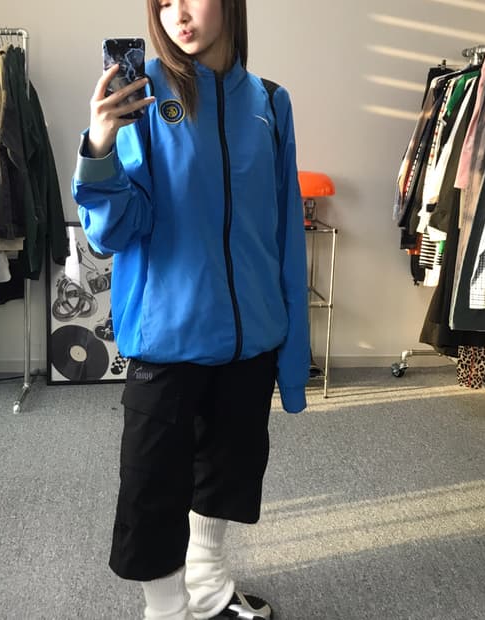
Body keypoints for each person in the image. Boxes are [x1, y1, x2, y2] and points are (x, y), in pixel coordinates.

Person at [72, 1, 309, 617]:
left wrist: (292, 360)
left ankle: (206, 590)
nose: (176, 12)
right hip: (168, 338)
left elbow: (285, 234)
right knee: (152, 487)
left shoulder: (271, 102)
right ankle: (167, 611)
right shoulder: (143, 95)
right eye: (163, 2)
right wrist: (100, 146)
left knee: (227, 471)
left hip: (250, 338)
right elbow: (113, 232)